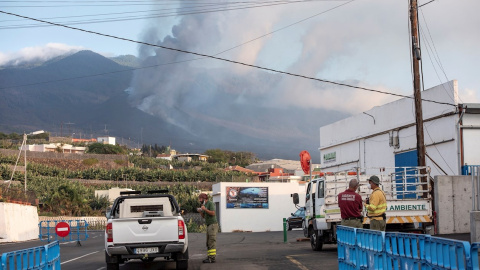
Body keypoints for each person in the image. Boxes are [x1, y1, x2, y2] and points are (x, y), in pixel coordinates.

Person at [197, 193, 218, 263]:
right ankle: (209, 257)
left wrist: (205, 209)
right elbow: (203, 216)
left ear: (204, 199)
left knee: (211, 241)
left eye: (200, 199)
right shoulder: (204, 205)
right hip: (209, 225)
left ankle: (212, 258)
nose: (199, 200)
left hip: (212, 225)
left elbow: (213, 213)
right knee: (208, 242)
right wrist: (200, 211)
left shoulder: (210, 203)